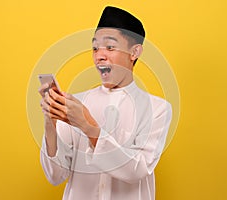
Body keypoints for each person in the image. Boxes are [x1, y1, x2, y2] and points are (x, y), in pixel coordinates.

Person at [39, 6, 172, 200]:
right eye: (95, 48)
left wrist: (86, 125)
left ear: (134, 52)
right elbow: (55, 175)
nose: (99, 55)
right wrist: (50, 123)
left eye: (110, 47)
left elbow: (137, 170)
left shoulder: (157, 109)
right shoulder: (76, 104)